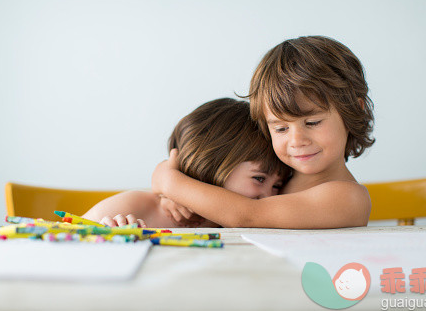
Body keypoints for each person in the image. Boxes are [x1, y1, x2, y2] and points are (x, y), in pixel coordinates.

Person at [152, 36, 375, 229]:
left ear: (354, 109)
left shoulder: (349, 198)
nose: (296, 141)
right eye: (281, 128)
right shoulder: (275, 179)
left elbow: (247, 216)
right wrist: (169, 193)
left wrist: (171, 183)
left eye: (313, 122)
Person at [82, 98, 291, 228]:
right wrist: (105, 232)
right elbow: (66, 234)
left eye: (276, 186)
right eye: (259, 178)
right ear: (213, 162)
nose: (269, 196)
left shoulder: (229, 222)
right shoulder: (137, 205)